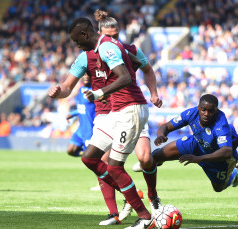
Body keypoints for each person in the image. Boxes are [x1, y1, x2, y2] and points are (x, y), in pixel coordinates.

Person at [49, 17, 155, 229]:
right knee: (89, 158)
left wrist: (99, 93)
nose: (76, 44)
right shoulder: (89, 55)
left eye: (76, 40)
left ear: (85, 35)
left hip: (130, 109)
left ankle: (145, 216)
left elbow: (125, 77)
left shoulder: (107, 47)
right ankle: (131, 194)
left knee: (116, 166)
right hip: (114, 112)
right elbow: (68, 87)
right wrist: (59, 92)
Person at [93, 9, 162, 225]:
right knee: (103, 162)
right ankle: (130, 199)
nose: (113, 39)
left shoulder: (129, 49)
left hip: (132, 110)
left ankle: (152, 196)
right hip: (114, 114)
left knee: (144, 158)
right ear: (100, 33)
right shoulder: (97, 53)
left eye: (116, 35)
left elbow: (148, 70)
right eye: (109, 35)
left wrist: (154, 93)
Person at [137, 94, 238, 192]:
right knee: (157, 155)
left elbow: (226, 151)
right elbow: (166, 126)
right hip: (196, 144)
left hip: (218, 158)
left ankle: (234, 172)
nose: (206, 114)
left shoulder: (221, 124)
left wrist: (200, 158)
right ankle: (150, 162)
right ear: (198, 107)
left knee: (218, 188)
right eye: (203, 110)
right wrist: (161, 135)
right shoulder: (191, 113)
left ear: (216, 111)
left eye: (211, 111)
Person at [66, 75, 95, 157]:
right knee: (70, 151)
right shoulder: (80, 90)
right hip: (81, 128)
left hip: (90, 129)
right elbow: (82, 107)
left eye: (88, 74)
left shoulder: (94, 91)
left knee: (89, 158)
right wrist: (72, 114)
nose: (86, 77)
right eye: (84, 74)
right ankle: (85, 153)